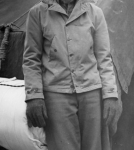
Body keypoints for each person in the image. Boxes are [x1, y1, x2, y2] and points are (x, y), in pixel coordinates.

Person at [23, 0, 122, 150]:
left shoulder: (95, 13)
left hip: (91, 93)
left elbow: (104, 58)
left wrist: (110, 96)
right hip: (57, 96)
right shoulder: (38, 13)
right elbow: (31, 59)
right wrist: (34, 96)